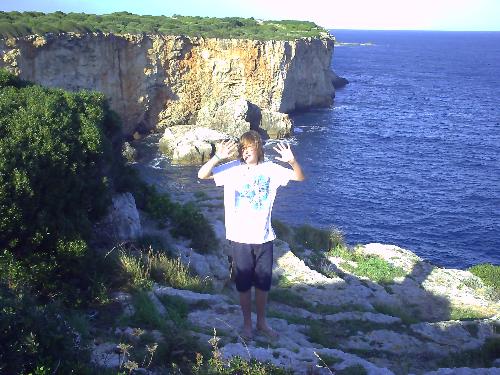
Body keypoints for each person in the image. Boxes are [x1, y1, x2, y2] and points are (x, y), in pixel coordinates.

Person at [197, 130, 305, 340]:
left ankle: (262, 323)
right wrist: (218, 157)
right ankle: (247, 324)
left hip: (264, 237)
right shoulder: (232, 169)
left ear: (258, 147)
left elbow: (299, 178)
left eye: (249, 147)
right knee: (244, 285)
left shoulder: (271, 169)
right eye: (243, 148)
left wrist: (292, 161)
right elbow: (202, 175)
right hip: (240, 238)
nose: (245, 152)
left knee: (263, 284)